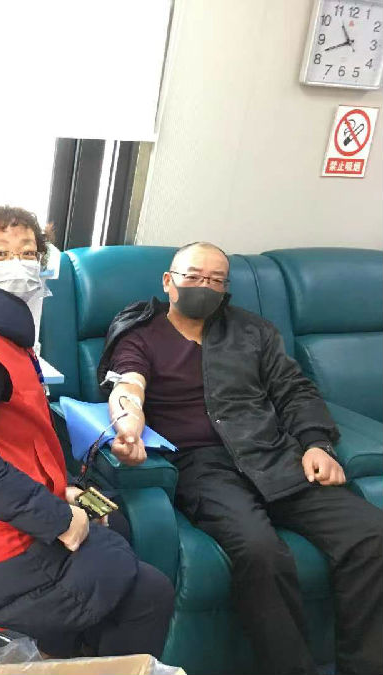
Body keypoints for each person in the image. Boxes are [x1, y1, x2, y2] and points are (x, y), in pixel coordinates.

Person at [0, 206, 174, 660]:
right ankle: (65, 658)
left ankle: (56, 655)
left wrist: (57, 488)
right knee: (149, 593)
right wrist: (57, 517)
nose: (16, 263)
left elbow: (10, 440)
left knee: (115, 523)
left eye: (27, 253)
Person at [98, 241, 383, 675]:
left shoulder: (253, 332)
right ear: (169, 281)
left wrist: (316, 444)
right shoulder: (140, 333)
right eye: (194, 277)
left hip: (274, 455)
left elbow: (294, 391)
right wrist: (128, 424)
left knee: (372, 535)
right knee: (260, 552)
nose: (204, 287)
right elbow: (127, 385)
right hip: (203, 467)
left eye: (216, 280)